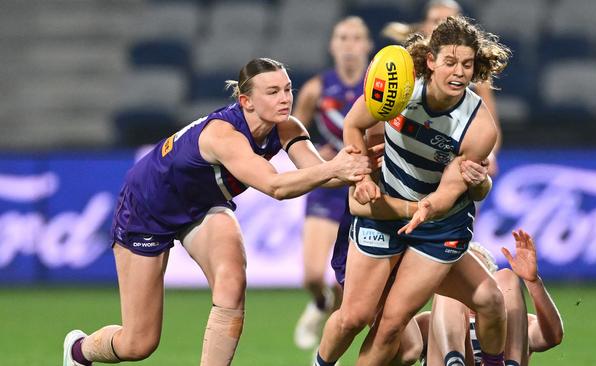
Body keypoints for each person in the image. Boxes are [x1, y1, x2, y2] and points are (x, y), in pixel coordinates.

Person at [62, 57, 372, 366]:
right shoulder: (223, 135)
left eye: (288, 89)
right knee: (138, 343)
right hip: (147, 207)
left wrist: (361, 165)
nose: (285, 98)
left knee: (232, 282)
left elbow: (322, 174)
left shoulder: (287, 127)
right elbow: (276, 187)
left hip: (203, 205)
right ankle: (78, 351)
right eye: (273, 91)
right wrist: (336, 168)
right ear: (246, 101)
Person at [314, 15, 511, 366]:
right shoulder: (402, 90)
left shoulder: (478, 127)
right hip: (385, 212)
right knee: (353, 317)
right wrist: (361, 176)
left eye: (467, 64)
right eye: (450, 62)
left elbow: (451, 191)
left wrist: (426, 207)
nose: (459, 73)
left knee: (391, 326)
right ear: (431, 61)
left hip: (438, 227)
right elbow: (354, 124)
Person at [292, 16, 374, 351]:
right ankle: (322, 303)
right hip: (328, 182)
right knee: (312, 274)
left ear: (367, 45)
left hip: (364, 184)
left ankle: (331, 345)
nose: (349, 45)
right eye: (342, 38)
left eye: (356, 38)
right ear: (332, 45)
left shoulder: (379, 84)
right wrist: (313, 150)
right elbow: (293, 128)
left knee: (348, 276)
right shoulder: (316, 88)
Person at [382, 0, 502, 176]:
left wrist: (489, 155)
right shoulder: (403, 68)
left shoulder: (472, 71)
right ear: (424, 26)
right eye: (435, 20)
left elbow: (490, 123)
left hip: (452, 158)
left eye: (448, 20)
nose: (441, 27)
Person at [418, 230, 564, 366]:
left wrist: (533, 282)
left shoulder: (516, 319)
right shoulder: (427, 322)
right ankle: (454, 361)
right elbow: (402, 343)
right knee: (448, 293)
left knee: (508, 276)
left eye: (475, 275)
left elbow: (552, 337)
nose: (466, 282)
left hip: (501, 341)